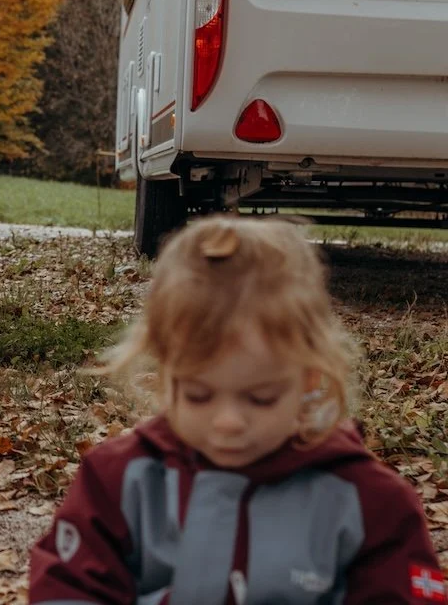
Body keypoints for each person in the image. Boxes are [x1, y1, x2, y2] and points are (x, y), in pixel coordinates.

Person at [28, 217, 442, 604]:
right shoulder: (121, 481)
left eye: (260, 398)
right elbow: (68, 587)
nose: (227, 422)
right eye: (198, 396)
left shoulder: (369, 502)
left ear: (310, 379)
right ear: (165, 375)